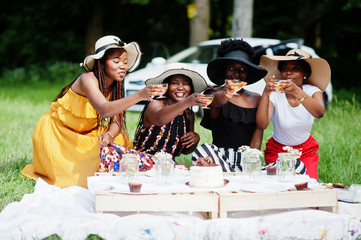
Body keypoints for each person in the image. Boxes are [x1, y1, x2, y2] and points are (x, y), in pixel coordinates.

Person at [22, 35, 159, 188]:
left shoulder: (115, 85)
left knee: (120, 139)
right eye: (116, 61)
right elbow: (104, 110)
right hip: (59, 134)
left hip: (87, 132)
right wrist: (139, 95)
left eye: (125, 62)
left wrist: (109, 134)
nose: (123, 66)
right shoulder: (87, 79)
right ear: (101, 63)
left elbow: (116, 121)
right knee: (77, 177)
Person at [191, 39, 268, 172]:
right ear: (223, 71)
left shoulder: (256, 98)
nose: (237, 74)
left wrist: (252, 162)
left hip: (247, 160)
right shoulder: (213, 93)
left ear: (248, 74)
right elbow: (218, 101)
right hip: (218, 158)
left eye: (243, 69)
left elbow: (258, 134)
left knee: (295, 165)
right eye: (231, 68)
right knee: (203, 150)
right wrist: (229, 91)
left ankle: (242, 177)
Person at [256, 49, 331, 180]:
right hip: (277, 150)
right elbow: (262, 124)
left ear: (305, 73)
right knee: (279, 186)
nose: (289, 72)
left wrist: (297, 91)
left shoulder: (312, 91)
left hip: (305, 151)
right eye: (285, 68)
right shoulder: (275, 93)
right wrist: (266, 94)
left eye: (295, 69)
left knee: (308, 185)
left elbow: (319, 113)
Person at [133, 65, 209, 165]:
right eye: (175, 83)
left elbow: (185, 151)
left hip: (169, 165)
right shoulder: (155, 104)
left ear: (190, 88)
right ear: (167, 87)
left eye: (185, 84)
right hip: (143, 160)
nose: (181, 87)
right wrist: (187, 102)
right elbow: (159, 119)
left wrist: (195, 139)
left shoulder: (188, 114)